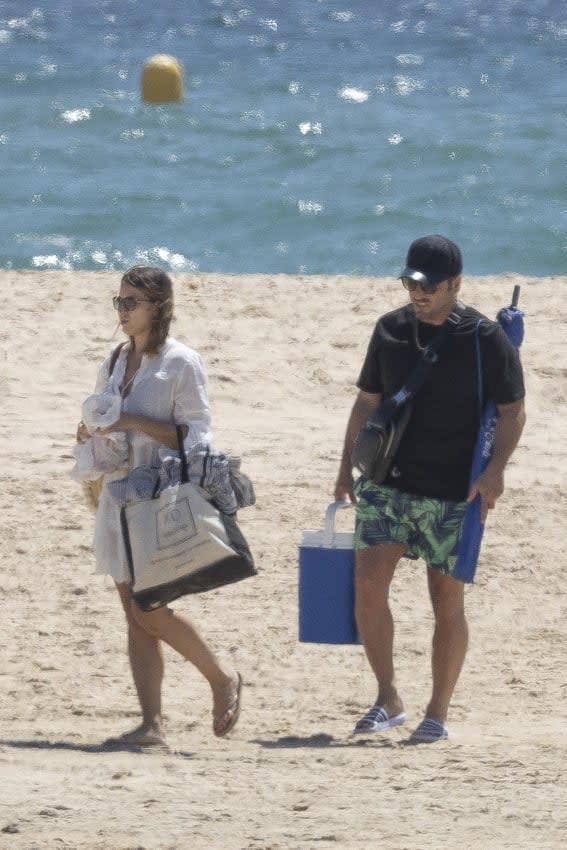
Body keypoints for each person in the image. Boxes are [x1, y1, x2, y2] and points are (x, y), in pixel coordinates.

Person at [334, 235, 525, 743]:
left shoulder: (485, 339)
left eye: (428, 285)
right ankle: (387, 697)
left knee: (446, 601)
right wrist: (343, 469)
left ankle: (437, 712)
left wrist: (495, 471)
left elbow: (512, 411)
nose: (416, 293)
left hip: (453, 491)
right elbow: (366, 403)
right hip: (388, 482)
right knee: (367, 588)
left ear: (454, 285)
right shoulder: (390, 330)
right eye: (410, 282)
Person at [76, 266, 242, 748]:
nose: (122, 311)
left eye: (132, 302)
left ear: (158, 307)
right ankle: (151, 725)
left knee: (149, 610)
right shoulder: (114, 359)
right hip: (117, 496)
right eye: (119, 302)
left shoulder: (180, 363)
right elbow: (101, 417)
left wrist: (131, 420)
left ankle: (221, 676)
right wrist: (88, 431)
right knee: (134, 613)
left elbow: (196, 435)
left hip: (159, 499)